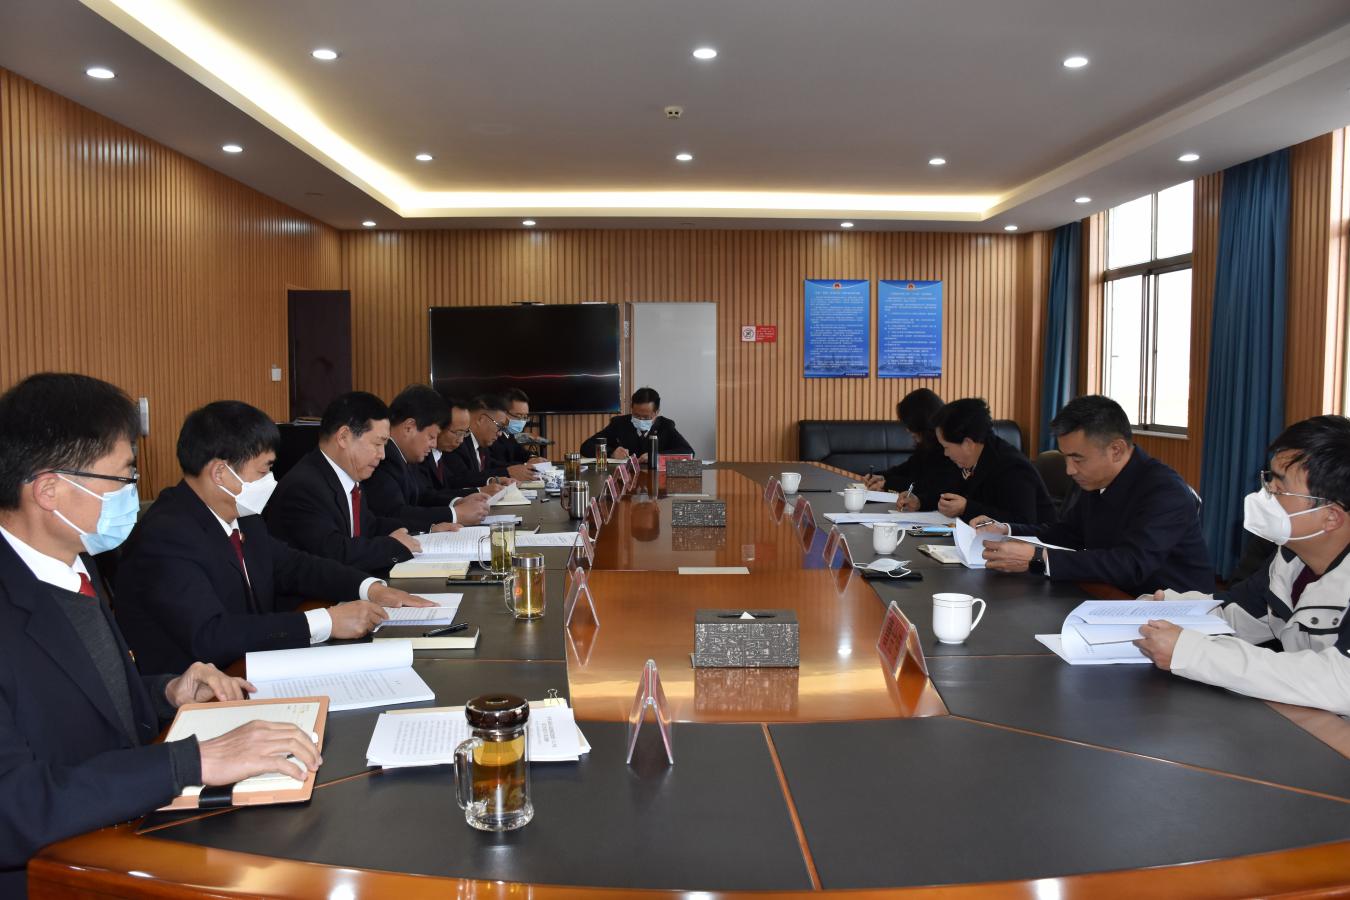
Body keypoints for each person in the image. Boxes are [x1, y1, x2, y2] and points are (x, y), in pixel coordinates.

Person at [0, 373, 321, 894]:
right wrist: (194, 760)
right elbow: (14, 808)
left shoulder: (76, 564)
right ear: (49, 490)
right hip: (55, 874)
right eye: (122, 477)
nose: (133, 492)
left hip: (123, 828)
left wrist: (168, 691)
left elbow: (94, 701)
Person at [115, 401, 434, 675]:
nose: (270, 481)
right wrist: (324, 622)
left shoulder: (243, 517)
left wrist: (370, 588)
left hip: (255, 665)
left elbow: (295, 566)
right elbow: (212, 635)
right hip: (200, 695)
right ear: (220, 473)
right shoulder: (166, 536)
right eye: (263, 470)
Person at [1135, 416, 1350, 716]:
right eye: (1268, 480)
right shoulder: (1290, 561)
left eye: (1279, 489)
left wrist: (1192, 653)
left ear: (1331, 517)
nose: (1265, 495)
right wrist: (1167, 610)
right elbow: (1236, 615)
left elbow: (1338, 681)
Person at [975, 395, 1213, 596]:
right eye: (1066, 457)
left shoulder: (1165, 492)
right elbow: (1067, 534)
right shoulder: (1096, 480)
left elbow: (1131, 565)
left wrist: (1040, 558)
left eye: (1077, 459)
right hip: (1112, 596)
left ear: (1116, 450)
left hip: (1175, 614)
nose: (1069, 470)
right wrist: (1007, 530)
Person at [265, 392, 427, 575]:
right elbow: (334, 552)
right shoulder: (303, 487)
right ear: (343, 437)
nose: (382, 455)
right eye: (377, 444)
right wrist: (393, 546)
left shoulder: (347, 475)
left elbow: (369, 526)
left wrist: (428, 531)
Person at [366, 386, 491, 528]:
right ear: (409, 427)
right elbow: (394, 513)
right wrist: (455, 514)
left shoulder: (405, 456)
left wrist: (457, 502)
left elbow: (424, 495)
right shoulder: (383, 459)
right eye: (431, 437)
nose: (434, 444)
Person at [928, 398, 1055, 524]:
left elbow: (1022, 521)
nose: (945, 454)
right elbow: (950, 493)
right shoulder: (970, 458)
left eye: (946, 447)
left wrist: (966, 508)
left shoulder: (1012, 467)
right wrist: (922, 501)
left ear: (967, 444)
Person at [863, 388, 960, 511]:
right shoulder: (926, 445)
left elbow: (929, 485)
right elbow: (908, 468)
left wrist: (888, 483)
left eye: (910, 425)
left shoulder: (948, 448)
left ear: (921, 422)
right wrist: (882, 476)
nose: (907, 430)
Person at [442, 394, 536, 489]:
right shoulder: (458, 441)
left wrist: (519, 468)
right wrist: (506, 473)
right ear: (481, 420)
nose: (500, 434)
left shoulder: (481, 443)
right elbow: (461, 478)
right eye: (499, 426)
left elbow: (490, 465)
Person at [581, 387, 694, 460]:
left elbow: (688, 452)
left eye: (646, 417)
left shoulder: (666, 426)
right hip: (626, 482)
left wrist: (656, 456)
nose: (640, 419)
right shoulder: (619, 424)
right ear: (632, 408)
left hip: (655, 482)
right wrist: (611, 453)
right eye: (636, 415)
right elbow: (586, 447)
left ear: (656, 412)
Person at [489, 388, 550, 467]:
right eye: (519, 416)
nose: (522, 421)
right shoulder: (491, 435)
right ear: (503, 412)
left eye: (525, 417)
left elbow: (521, 453)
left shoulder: (509, 433)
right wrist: (525, 465)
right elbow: (492, 465)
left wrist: (533, 458)